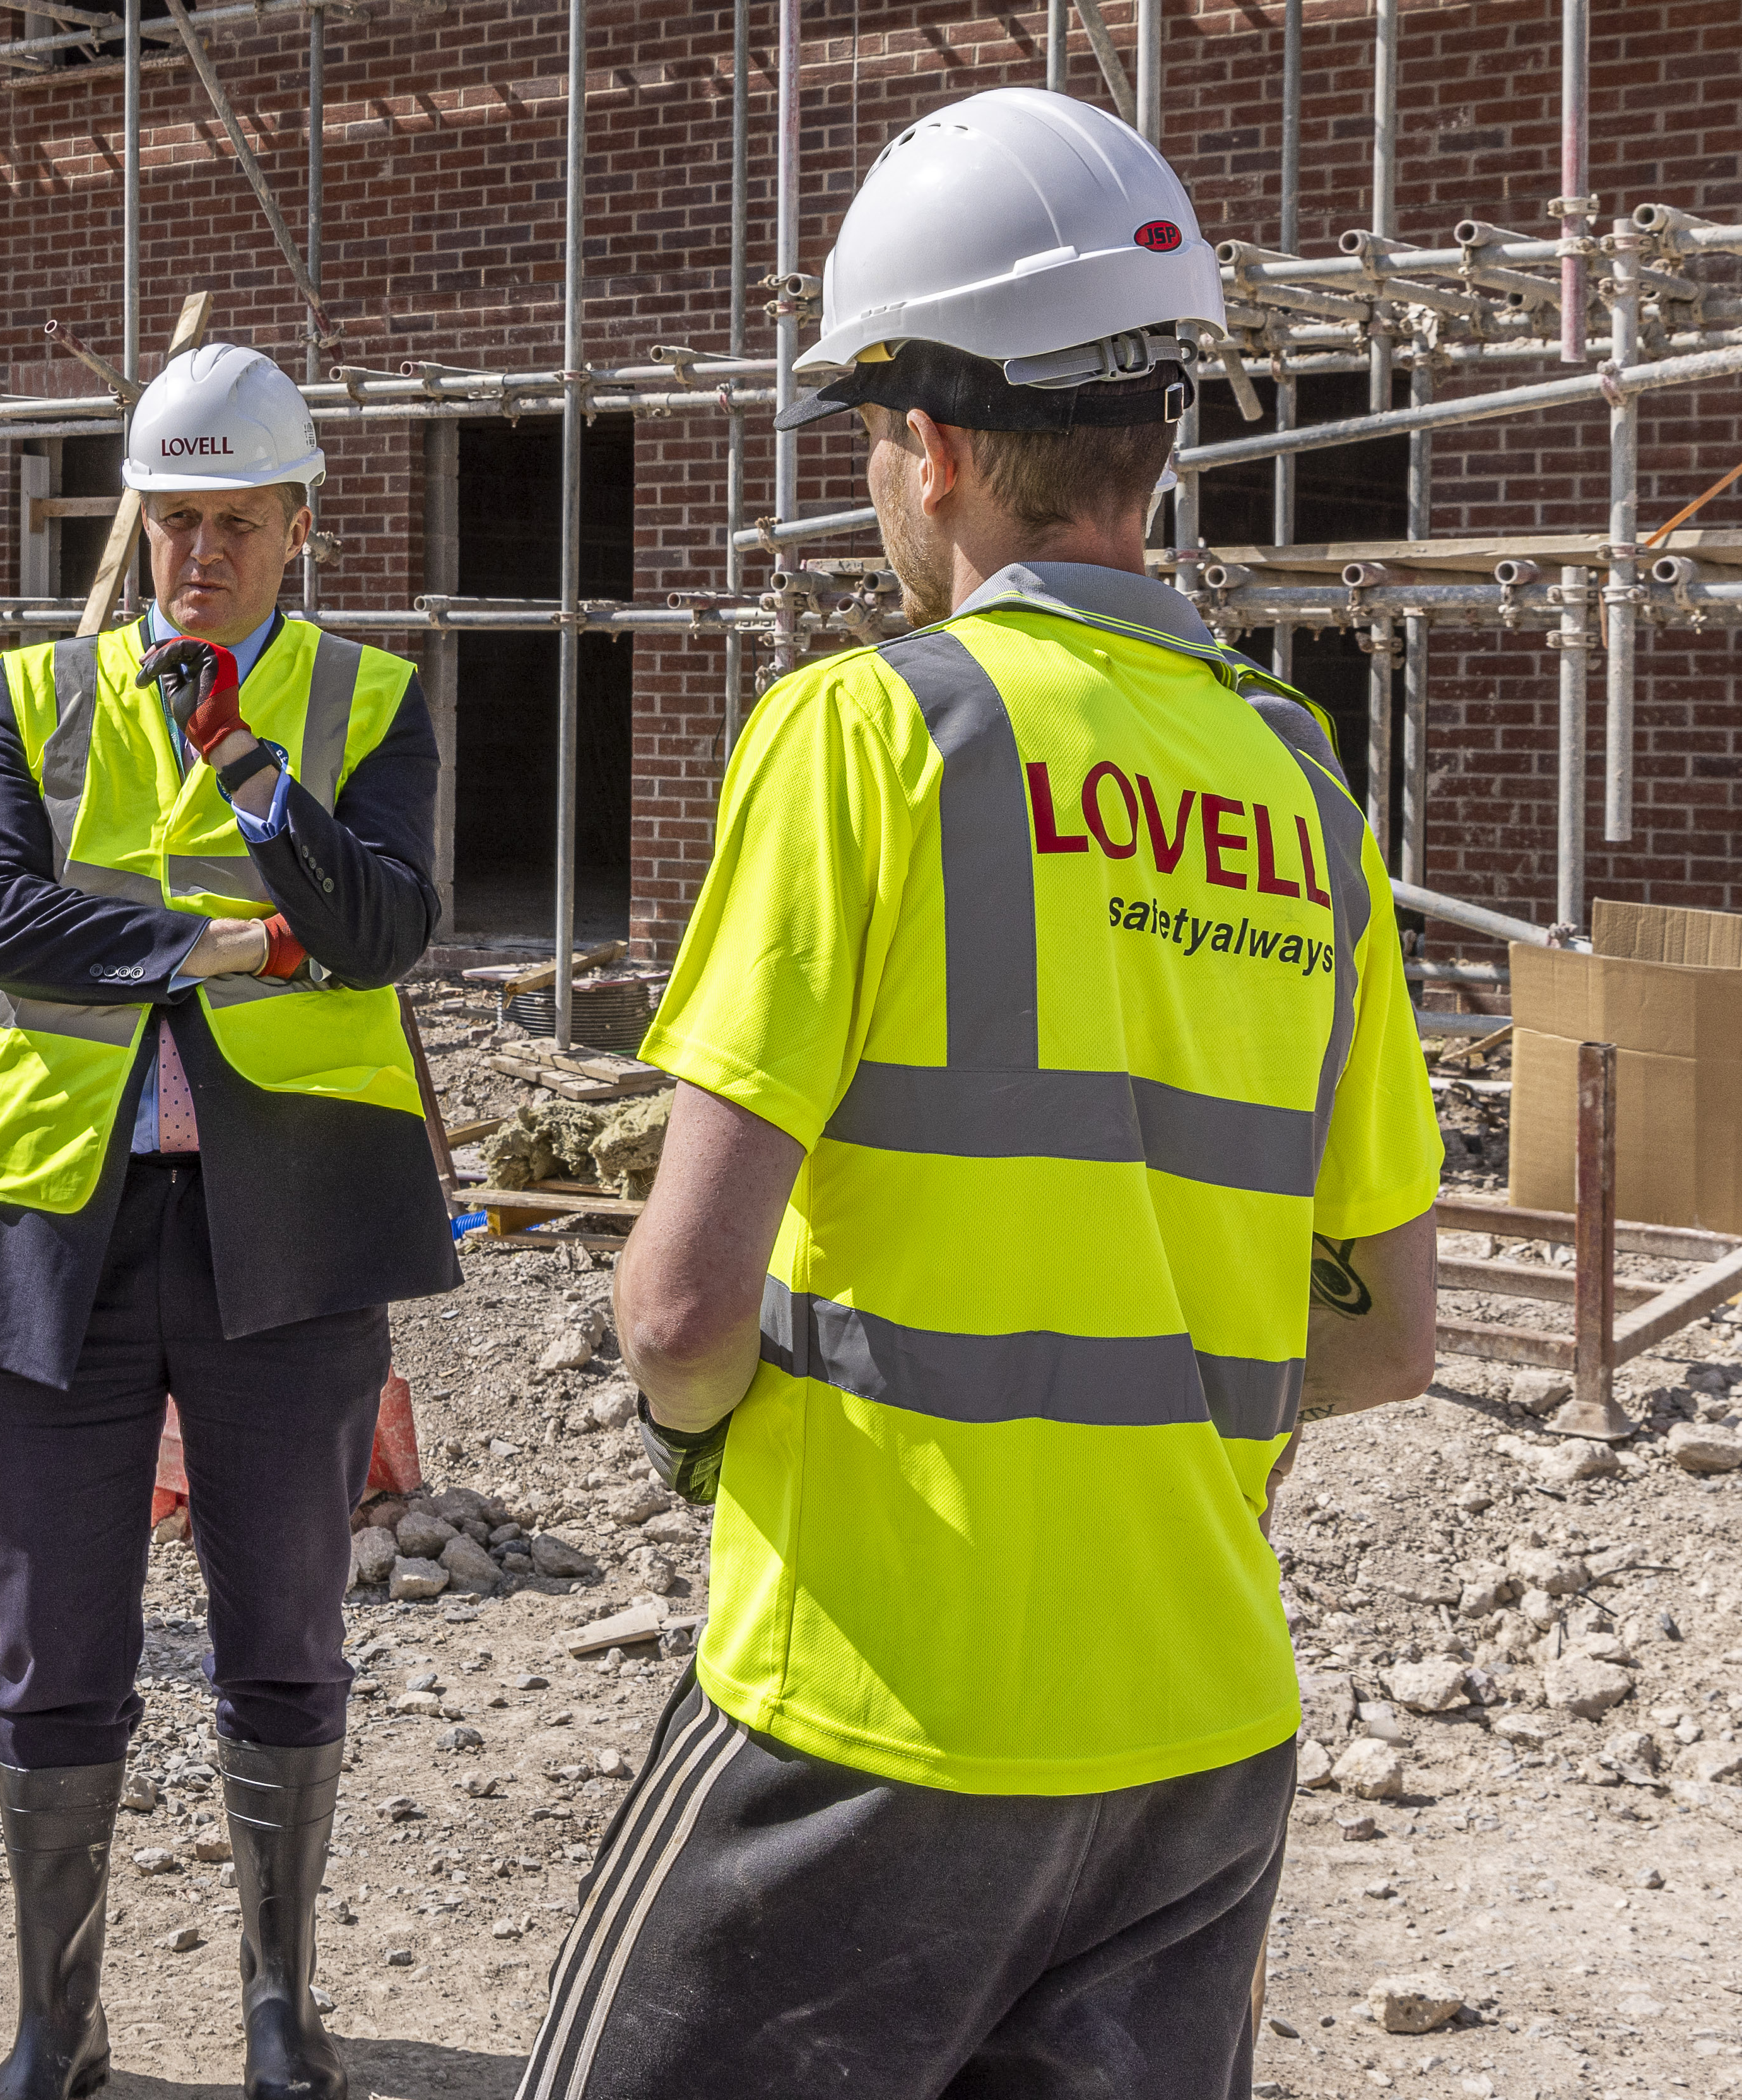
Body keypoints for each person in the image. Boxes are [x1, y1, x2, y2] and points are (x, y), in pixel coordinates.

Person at [516, 90, 1443, 2099]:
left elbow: (677, 1310)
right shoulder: (1300, 782)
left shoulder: (872, 730)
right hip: (1196, 1731)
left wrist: (705, 1438)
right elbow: (1383, 1339)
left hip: (869, 1706)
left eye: (868, 437)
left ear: (933, 445)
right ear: (1154, 440)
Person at [0, 340, 457, 2100]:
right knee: (49, 1649)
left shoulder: (364, 701)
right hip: (50, 1228)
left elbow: (381, 931)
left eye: (233, 522)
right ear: (136, 524)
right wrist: (223, 942)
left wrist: (243, 770)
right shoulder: (26, 695)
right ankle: (49, 2028)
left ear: (298, 525)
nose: (197, 558)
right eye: (170, 522)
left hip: (287, 1232)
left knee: (283, 1636)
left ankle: (277, 2014)